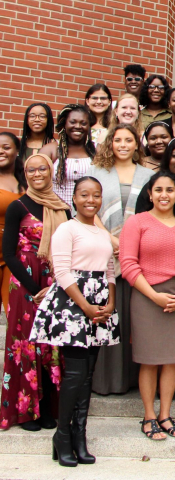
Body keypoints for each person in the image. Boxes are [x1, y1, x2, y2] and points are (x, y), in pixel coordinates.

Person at [29, 176, 119, 466]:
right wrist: (86, 307)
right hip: (72, 302)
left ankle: (80, 436)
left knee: (87, 375)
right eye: (84, 195)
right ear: (74, 199)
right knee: (75, 373)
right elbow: (63, 272)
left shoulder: (101, 232)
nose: (91, 200)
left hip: (100, 303)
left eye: (96, 195)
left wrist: (110, 302)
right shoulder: (66, 229)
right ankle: (62, 436)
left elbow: (109, 270)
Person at [119, 171, 175, 441]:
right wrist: (154, 296)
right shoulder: (137, 222)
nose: (164, 195)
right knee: (150, 360)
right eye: (158, 190)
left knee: (173, 360)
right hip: (147, 297)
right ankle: (149, 416)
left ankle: (165, 415)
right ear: (149, 193)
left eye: (170, 190)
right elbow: (128, 264)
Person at [1, 154, 70, 432]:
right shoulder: (18, 206)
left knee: (51, 346)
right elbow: (8, 253)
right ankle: (26, 412)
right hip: (25, 285)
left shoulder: (63, 208)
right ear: (25, 173)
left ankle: (47, 409)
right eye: (31, 169)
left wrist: (53, 285)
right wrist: (34, 289)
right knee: (26, 345)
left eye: (43, 168)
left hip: (56, 281)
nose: (37, 173)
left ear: (51, 171)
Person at [87, 124, 154, 396]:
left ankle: (130, 380)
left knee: (132, 318)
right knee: (109, 314)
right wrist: (113, 241)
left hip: (140, 255)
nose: (123, 144)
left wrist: (129, 244)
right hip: (104, 251)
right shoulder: (96, 174)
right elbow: (88, 210)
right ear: (110, 143)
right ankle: (106, 381)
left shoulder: (149, 174)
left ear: (137, 144)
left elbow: (154, 212)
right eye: (118, 140)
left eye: (129, 140)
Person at [39, 104, 95, 210]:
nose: (78, 126)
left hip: (90, 215)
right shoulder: (51, 150)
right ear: (64, 124)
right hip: (56, 212)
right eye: (72, 122)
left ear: (89, 126)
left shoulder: (97, 150)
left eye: (83, 123)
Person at [0, 133, 25, 317]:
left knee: (14, 312)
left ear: (17, 151)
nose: (1, 151)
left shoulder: (25, 181)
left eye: (6, 147)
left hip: (15, 255)